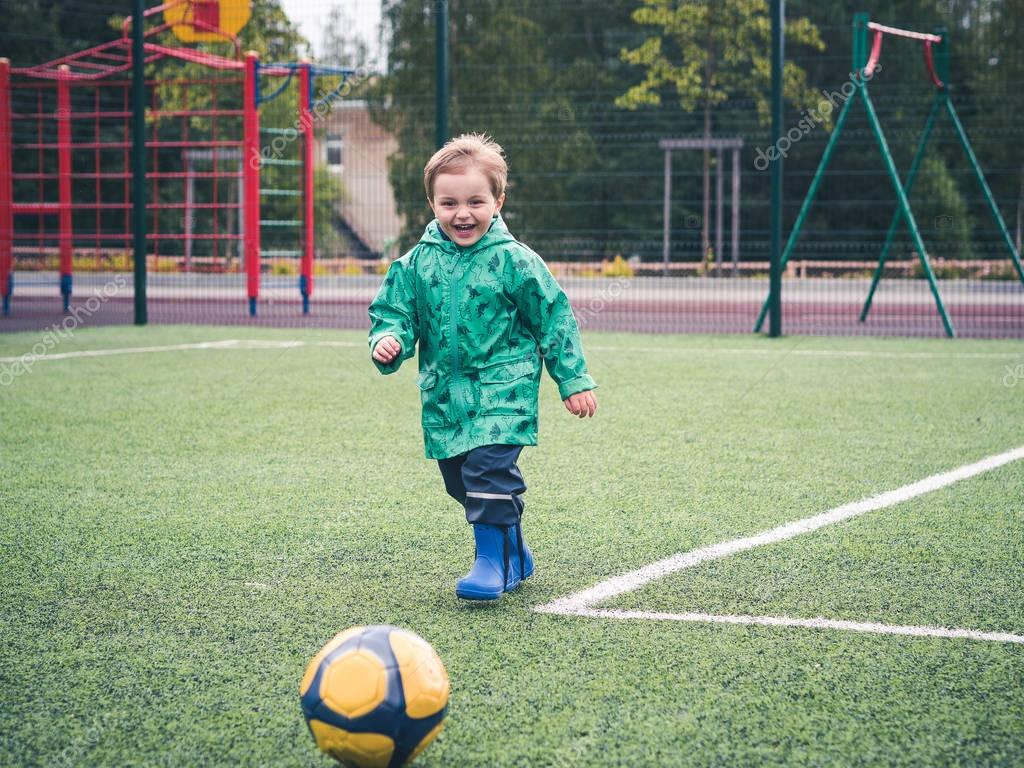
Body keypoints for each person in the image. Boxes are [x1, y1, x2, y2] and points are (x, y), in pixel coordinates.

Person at [368, 133, 598, 601]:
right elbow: (395, 312)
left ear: (498, 200)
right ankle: (514, 549)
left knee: (488, 474)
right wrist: (388, 339)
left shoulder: (514, 261)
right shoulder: (415, 264)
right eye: (449, 202)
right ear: (432, 202)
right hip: (445, 396)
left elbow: (554, 319)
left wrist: (571, 380)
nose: (462, 213)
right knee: (459, 480)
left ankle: (491, 562)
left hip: (503, 390)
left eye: (476, 200)